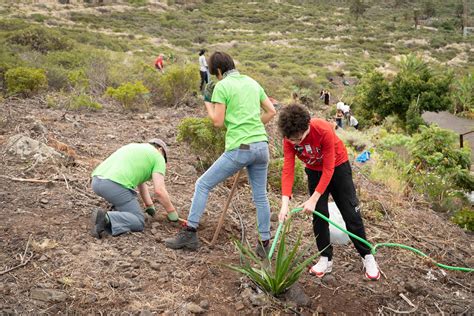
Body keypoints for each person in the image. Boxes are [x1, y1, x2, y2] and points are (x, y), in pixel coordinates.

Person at [165, 52, 277, 257]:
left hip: (242, 147)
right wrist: (251, 127)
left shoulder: (222, 86)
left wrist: (207, 103)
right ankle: (264, 243)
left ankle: (190, 232)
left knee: (203, 184)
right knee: (260, 196)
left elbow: (217, 121)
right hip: (261, 146)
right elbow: (271, 111)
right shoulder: (252, 82)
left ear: (217, 71)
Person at [277, 104, 380, 280]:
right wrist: (284, 204)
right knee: (319, 215)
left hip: (337, 167)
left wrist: (313, 199)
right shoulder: (289, 138)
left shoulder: (323, 129)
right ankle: (325, 258)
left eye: (298, 139)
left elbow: (329, 169)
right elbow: (288, 169)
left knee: (351, 213)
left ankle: (367, 256)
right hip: (314, 170)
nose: (295, 143)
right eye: (291, 140)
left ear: (307, 126)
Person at [90, 139, 178, 238]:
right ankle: (105, 218)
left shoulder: (134, 147)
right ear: (160, 149)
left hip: (96, 181)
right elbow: (159, 191)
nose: (164, 161)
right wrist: (172, 212)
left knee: (125, 201)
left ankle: (117, 210)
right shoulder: (158, 157)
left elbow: (141, 183)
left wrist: (149, 206)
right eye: (164, 158)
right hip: (113, 186)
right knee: (138, 221)